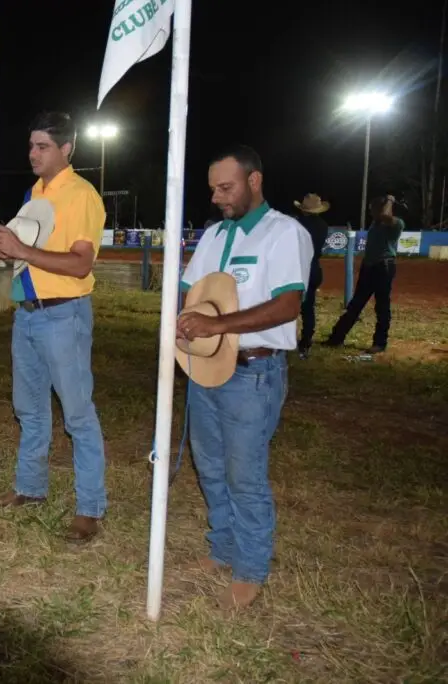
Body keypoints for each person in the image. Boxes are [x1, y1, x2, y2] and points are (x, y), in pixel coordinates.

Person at [177, 145, 312, 609]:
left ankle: (251, 569)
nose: (217, 196)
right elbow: (186, 291)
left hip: (254, 373)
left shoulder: (284, 234)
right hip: (205, 367)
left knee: (244, 475)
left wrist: (218, 325)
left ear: (254, 181)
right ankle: (223, 550)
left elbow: (287, 305)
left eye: (226, 187)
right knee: (210, 467)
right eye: (213, 187)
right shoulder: (214, 236)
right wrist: (182, 324)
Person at [0, 111, 108, 544]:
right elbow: (25, 256)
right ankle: (30, 488)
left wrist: (20, 248)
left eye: (42, 146)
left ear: (66, 149)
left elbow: (81, 263)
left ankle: (90, 508)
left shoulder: (81, 195)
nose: (33, 153)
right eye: (31, 145)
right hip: (29, 315)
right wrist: (6, 254)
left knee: (78, 414)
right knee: (29, 409)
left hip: (64, 315)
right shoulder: (34, 193)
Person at [321, 195, 403, 354]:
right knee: (355, 305)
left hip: (383, 268)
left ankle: (380, 343)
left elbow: (386, 216)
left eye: (373, 209)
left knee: (382, 307)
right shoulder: (376, 223)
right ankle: (336, 338)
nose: (370, 212)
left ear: (382, 209)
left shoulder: (396, 223)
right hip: (370, 267)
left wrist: (389, 201)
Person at [293, 193, 330, 358]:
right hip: (314, 268)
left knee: (288, 305)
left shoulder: (297, 224)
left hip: (298, 268)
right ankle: (306, 341)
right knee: (308, 308)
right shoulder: (323, 225)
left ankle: (286, 340)